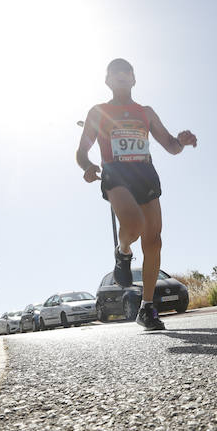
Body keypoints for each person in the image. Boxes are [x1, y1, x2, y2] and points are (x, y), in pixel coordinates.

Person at [76, 58, 197, 331]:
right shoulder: (98, 112)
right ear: (107, 81)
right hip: (116, 174)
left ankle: (147, 307)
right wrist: (87, 166)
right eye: (114, 72)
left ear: (133, 78)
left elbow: (170, 146)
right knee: (134, 226)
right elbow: (81, 152)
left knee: (154, 241)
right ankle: (123, 250)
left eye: (126, 71)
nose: (121, 75)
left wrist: (182, 141)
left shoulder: (147, 112)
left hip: (145, 174)